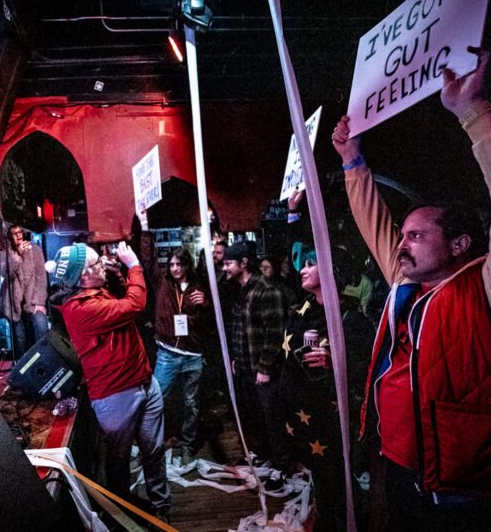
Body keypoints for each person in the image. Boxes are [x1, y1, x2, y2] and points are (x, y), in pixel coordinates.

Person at [330, 47, 491, 531]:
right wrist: (353, 162)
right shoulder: (410, 285)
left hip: (467, 496)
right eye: (404, 235)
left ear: (458, 244)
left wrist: (473, 111)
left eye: (416, 236)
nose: (401, 244)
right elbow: (375, 226)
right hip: (402, 471)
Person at [48, 241, 172, 522]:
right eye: (96, 263)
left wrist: (114, 271)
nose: (101, 264)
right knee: (119, 460)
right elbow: (134, 304)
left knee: (154, 451)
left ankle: (161, 510)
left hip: (144, 382)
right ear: (83, 276)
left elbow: (121, 292)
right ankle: (123, 516)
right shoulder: (79, 309)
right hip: (116, 395)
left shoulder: (95, 289)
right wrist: (133, 265)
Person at [278, 244, 375, 532]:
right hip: (308, 415)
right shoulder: (303, 312)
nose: (302, 269)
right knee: (322, 476)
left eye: (311, 263)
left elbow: (366, 372)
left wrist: (336, 362)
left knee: (338, 477)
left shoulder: (351, 320)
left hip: (334, 419)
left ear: (332, 270)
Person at [138, 214, 211, 466]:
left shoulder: (198, 289)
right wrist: (145, 227)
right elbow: (148, 260)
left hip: (193, 355)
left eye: (179, 264)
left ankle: (188, 445)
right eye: (171, 264)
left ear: (187, 265)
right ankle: (154, 443)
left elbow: (208, 325)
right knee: (156, 399)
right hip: (168, 352)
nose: (175, 268)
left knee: (192, 404)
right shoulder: (163, 284)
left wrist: (206, 304)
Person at [222, 241, 289, 491]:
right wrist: (236, 359)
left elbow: (274, 332)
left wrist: (265, 368)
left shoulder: (266, 290)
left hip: (262, 369)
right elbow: (241, 327)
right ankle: (264, 453)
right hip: (246, 365)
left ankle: (281, 465)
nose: (225, 268)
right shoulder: (242, 290)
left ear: (243, 263)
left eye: (229, 263)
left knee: (272, 417)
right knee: (257, 415)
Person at [0, 224, 48, 358]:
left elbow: (41, 277)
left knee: (41, 326)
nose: (18, 235)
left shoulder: (35, 250)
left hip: (32, 299)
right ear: (9, 237)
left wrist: (39, 302)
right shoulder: (4, 253)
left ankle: (44, 360)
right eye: (14, 233)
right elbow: (5, 273)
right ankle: (22, 366)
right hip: (13, 303)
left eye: (20, 232)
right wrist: (17, 255)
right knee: (19, 338)